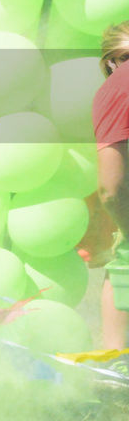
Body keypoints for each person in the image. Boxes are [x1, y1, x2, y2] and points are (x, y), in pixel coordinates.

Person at [95, 22, 129, 348]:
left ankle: (117, 367)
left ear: (109, 61)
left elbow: (110, 187)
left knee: (122, 265)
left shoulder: (118, 86)